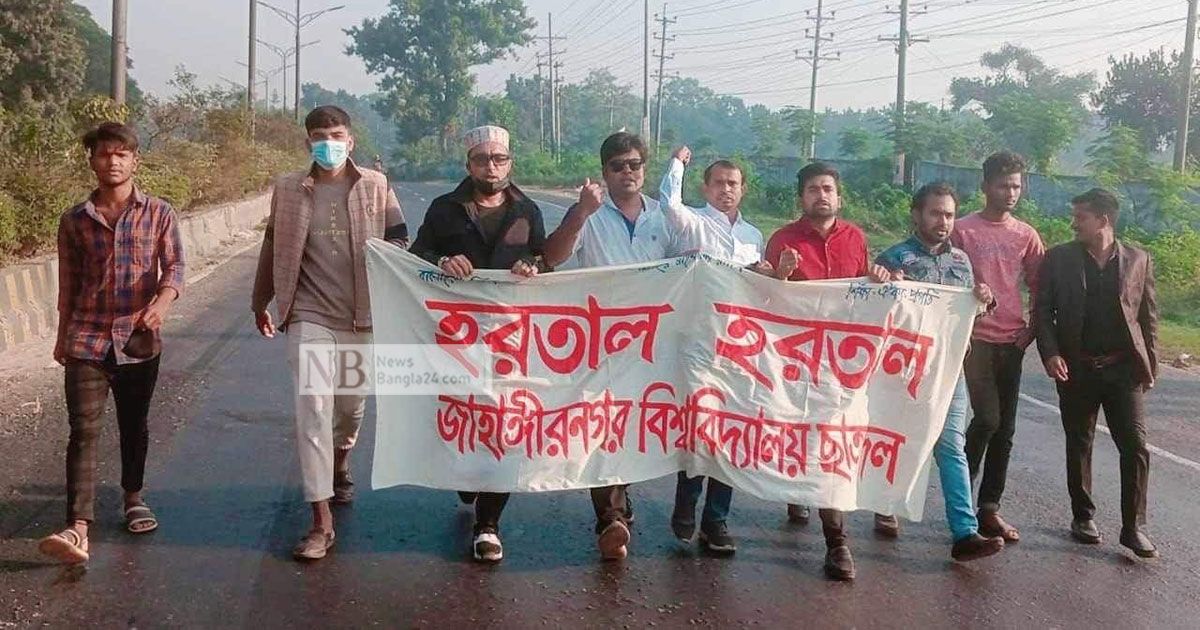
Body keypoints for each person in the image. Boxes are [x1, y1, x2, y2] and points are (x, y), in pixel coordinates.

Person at [251, 105, 408, 562]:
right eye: (319, 136)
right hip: (308, 313)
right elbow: (271, 246)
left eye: (336, 134)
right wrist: (260, 300)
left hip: (362, 316)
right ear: (307, 143)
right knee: (313, 408)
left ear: (351, 140)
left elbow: (401, 242)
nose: (328, 143)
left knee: (349, 409)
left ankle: (341, 460)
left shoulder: (376, 186)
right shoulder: (287, 189)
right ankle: (321, 519)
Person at [38, 122, 186, 564]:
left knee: (133, 425)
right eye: (105, 154)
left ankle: (133, 497)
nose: (113, 161)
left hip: (139, 340)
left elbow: (175, 267)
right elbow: (68, 283)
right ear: (93, 161)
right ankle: (78, 526)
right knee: (82, 431)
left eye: (122, 154)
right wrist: (62, 336)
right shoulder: (74, 220)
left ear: (135, 161)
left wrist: (163, 302)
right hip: (86, 338)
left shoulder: (159, 213)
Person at [543, 131, 690, 561]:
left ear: (644, 169)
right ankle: (610, 518)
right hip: (599, 341)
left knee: (635, 424)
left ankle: (621, 503)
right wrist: (579, 214)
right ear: (604, 172)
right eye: (617, 166)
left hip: (651, 342)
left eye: (634, 165)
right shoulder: (589, 213)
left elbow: (689, 267)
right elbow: (552, 257)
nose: (627, 173)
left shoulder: (665, 217)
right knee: (601, 424)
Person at [408, 124, 547, 563]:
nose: (492, 166)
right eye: (483, 159)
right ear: (469, 164)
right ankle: (467, 478)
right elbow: (415, 253)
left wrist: (531, 264)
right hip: (456, 335)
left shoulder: (528, 210)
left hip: (511, 336)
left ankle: (489, 524)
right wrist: (442, 260)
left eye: (499, 159)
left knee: (506, 425)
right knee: (466, 418)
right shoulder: (444, 209)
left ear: (510, 162)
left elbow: (544, 257)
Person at [762, 161, 890, 581]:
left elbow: (861, 295)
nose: (822, 195)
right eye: (814, 189)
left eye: (828, 188)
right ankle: (797, 488)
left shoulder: (855, 238)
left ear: (839, 196)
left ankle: (837, 542)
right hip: (796, 361)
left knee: (833, 440)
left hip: (843, 363)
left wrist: (879, 281)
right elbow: (763, 303)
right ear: (802, 197)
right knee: (799, 434)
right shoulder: (782, 239)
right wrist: (779, 274)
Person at [875, 182, 1007, 562]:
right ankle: (885, 504)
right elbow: (871, 311)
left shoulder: (961, 262)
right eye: (935, 213)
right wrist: (883, 286)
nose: (943, 221)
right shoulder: (895, 259)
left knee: (951, 447)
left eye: (949, 214)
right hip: (904, 370)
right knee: (899, 440)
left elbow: (973, 310)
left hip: (950, 371)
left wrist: (985, 299)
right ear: (917, 215)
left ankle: (964, 531)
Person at [656, 145, 774, 554]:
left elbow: (760, 291)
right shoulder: (691, 223)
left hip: (740, 348)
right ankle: (686, 503)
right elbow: (668, 202)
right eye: (720, 183)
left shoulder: (753, 236)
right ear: (705, 188)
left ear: (743, 190)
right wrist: (677, 165)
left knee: (731, 431)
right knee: (699, 426)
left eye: (734, 184)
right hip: (696, 341)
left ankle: (717, 520)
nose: (727, 190)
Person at [1035, 188, 1159, 559]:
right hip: (1077, 367)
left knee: (1135, 445)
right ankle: (1083, 517)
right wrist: (1051, 353)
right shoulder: (1059, 258)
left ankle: (1133, 527)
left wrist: (1149, 365)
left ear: (1103, 220)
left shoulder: (1138, 259)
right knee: (1080, 442)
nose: (1074, 223)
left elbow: (1147, 316)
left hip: (1123, 369)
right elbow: (1042, 310)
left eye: (1081, 217)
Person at [950, 151, 1045, 544]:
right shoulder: (962, 230)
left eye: (1017, 186)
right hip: (975, 341)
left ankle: (988, 508)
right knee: (986, 418)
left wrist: (1033, 329)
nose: (1011, 193)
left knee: (1005, 429)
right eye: (1004, 185)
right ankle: (960, 500)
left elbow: (1041, 286)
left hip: (1012, 340)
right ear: (985, 185)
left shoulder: (1026, 235)